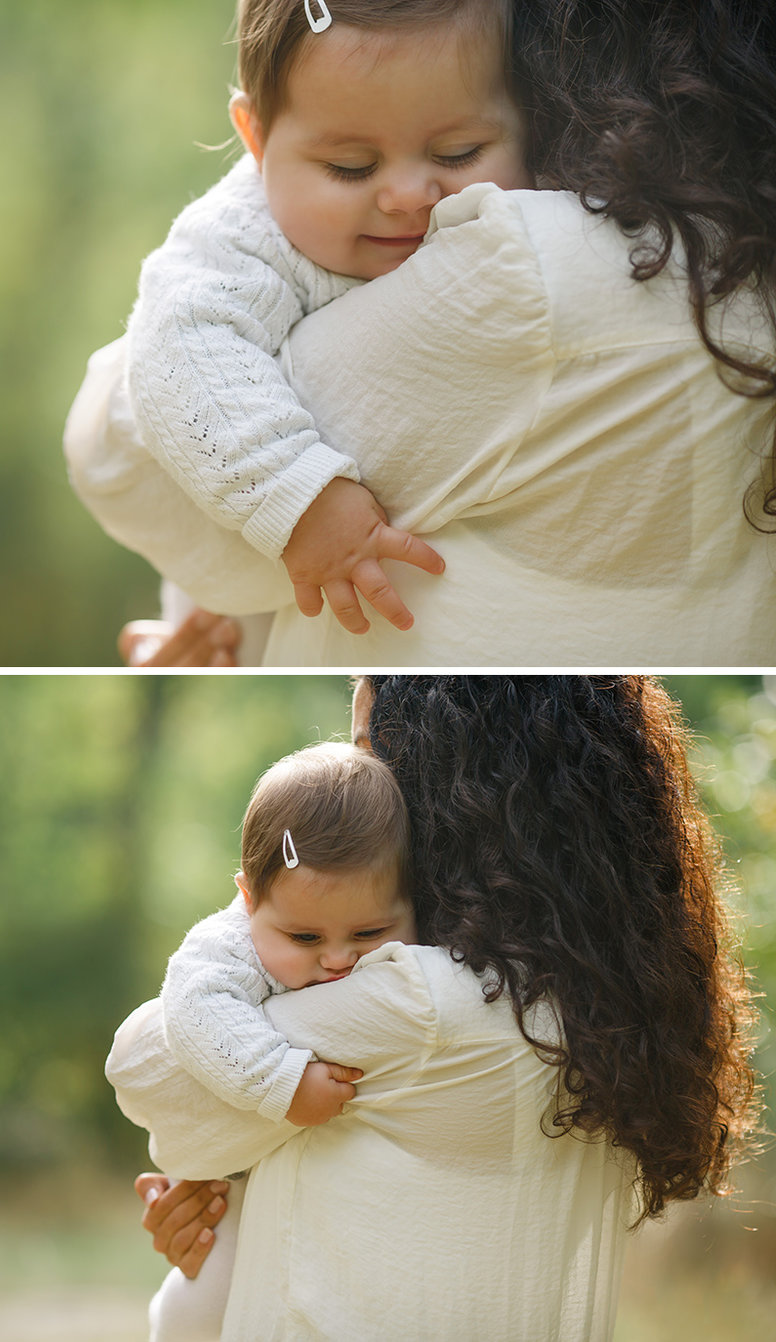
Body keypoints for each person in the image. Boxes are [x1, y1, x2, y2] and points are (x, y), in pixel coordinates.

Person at [65, 0, 776, 666]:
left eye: (459, 152)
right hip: (233, 576)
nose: (407, 194)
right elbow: (178, 350)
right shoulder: (240, 239)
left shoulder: (533, 259)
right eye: (350, 166)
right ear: (254, 139)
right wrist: (298, 494)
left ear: (530, 117)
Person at [108, 676, 759, 1340]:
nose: (357, 791)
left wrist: (207, 1155)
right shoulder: (592, 1002)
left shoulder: (425, 999)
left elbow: (145, 1075)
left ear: (441, 784)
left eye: (370, 751)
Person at [124, 741, 415, 1340]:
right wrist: (280, 1082)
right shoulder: (226, 947)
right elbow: (193, 1007)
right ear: (248, 899)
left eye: (370, 931)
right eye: (304, 937)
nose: (338, 958)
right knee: (200, 1304)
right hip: (233, 1178)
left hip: (340, 1212)